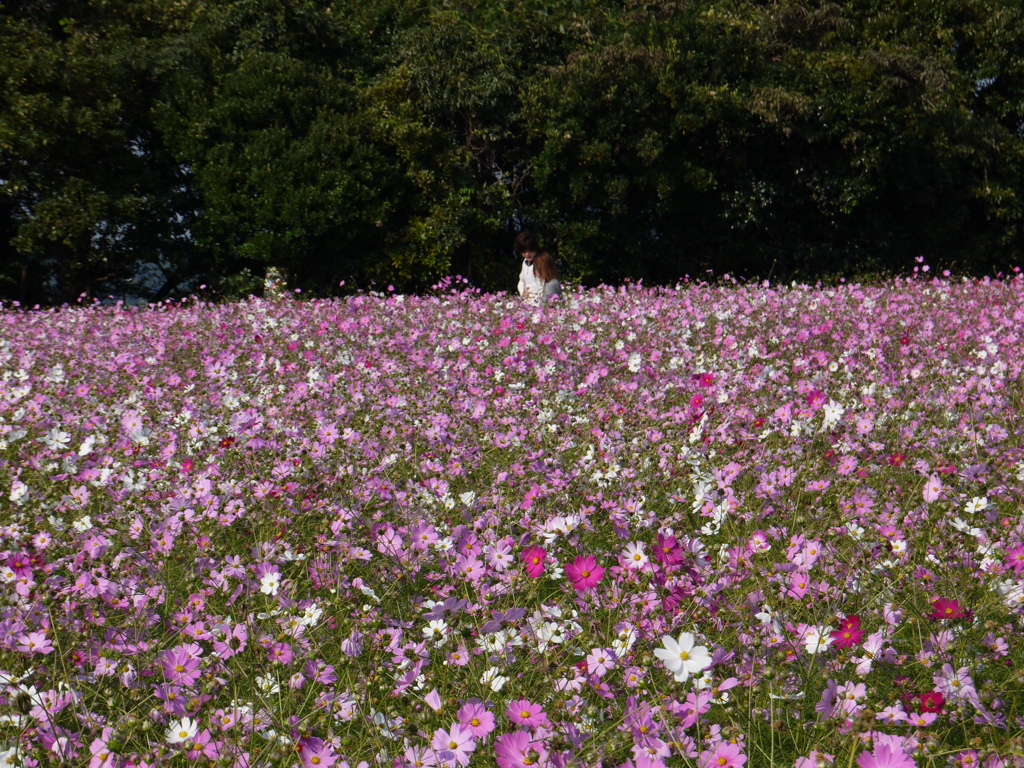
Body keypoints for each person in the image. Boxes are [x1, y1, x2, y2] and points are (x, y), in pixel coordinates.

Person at [515, 232, 558, 307]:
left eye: (530, 251)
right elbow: (521, 280)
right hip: (528, 303)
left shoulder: (542, 260)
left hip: (541, 303)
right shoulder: (524, 262)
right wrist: (522, 292)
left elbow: (547, 282)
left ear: (535, 248)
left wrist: (544, 303)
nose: (527, 254)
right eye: (524, 252)